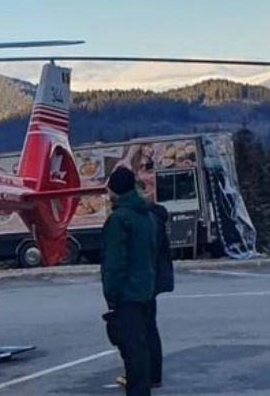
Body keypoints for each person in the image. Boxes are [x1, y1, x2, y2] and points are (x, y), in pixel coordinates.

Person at [101, 167, 157, 396]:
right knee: (142, 347)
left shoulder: (119, 219)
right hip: (146, 289)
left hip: (127, 293)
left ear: (115, 190)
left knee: (131, 350)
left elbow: (114, 262)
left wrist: (110, 293)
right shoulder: (146, 215)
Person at [118, 201, 174, 389]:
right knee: (148, 327)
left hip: (143, 281)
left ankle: (145, 376)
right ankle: (151, 375)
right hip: (151, 279)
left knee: (140, 331)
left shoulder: (147, 219)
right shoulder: (154, 217)